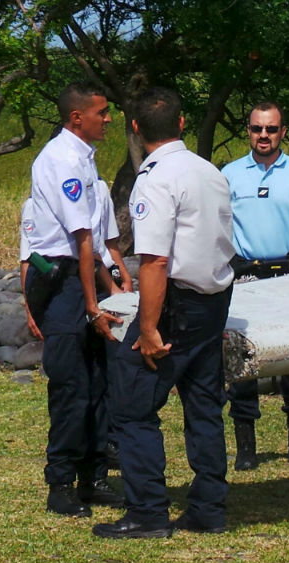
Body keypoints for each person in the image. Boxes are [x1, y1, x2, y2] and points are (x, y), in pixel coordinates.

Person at [93, 87, 235, 538]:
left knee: (133, 408)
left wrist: (149, 328)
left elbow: (154, 261)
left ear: (135, 128)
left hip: (175, 306)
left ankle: (148, 512)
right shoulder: (210, 171)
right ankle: (209, 508)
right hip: (214, 300)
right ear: (181, 123)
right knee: (204, 407)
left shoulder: (154, 179)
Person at [22, 81, 123, 518]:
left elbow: (99, 246)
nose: (108, 118)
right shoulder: (62, 159)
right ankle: (60, 481)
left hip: (84, 277)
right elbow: (80, 239)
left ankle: (93, 475)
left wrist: (114, 288)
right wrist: (90, 306)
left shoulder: (86, 162)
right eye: (101, 112)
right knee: (71, 385)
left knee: (99, 381)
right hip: (63, 282)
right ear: (77, 117)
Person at [221, 101, 289, 469]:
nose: (263, 136)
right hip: (246, 274)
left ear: (283, 132)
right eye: (256, 129)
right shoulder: (230, 174)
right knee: (243, 361)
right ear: (248, 131)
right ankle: (246, 447)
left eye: (271, 129)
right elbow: (218, 228)